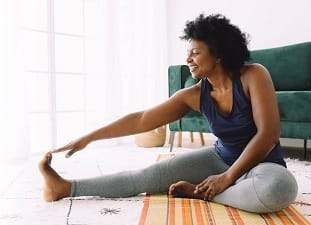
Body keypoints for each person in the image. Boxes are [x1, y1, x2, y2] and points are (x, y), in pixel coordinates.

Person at [38, 13, 298, 213]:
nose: (189, 59)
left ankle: (200, 192)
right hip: (220, 158)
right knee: (148, 177)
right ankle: (66, 187)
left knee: (280, 189)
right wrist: (90, 137)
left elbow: (268, 135)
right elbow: (141, 119)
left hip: (262, 167)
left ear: (218, 54)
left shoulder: (253, 75)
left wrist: (226, 179)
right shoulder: (194, 94)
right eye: (188, 53)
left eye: (196, 52)